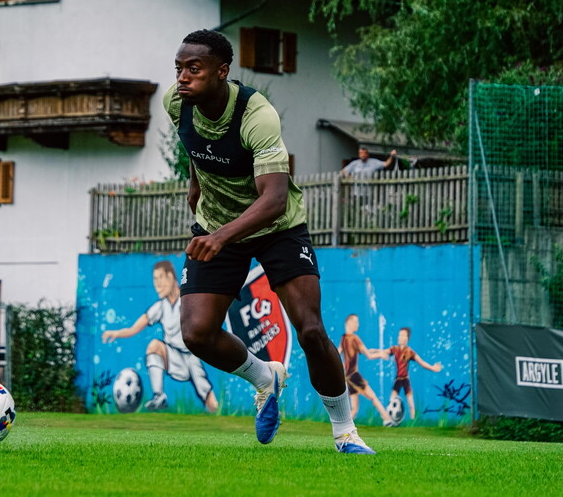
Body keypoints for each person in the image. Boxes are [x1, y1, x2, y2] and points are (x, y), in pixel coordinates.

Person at [163, 28, 376, 454]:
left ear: (222, 72)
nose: (183, 77)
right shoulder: (176, 102)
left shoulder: (256, 114)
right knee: (197, 332)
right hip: (217, 224)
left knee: (311, 330)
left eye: (194, 69)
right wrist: (194, 182)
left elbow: (275, 198)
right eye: (179, 68)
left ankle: (345, 433)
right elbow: (196, 144)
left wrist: (222, 236)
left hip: (276, 226)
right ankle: (265, 378)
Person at [101, 260, 218, 413]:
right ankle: (159, 396)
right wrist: (116, 333)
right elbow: (135, 327)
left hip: (192, 356)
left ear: (170, 276)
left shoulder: (188, 300)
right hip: (173, 356)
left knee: (210, 400)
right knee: (154, 346)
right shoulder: (160, 307)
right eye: (154, 280)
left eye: (159, 278)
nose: (157, 284)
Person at [372, 327, 443, 425]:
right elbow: (385, 351)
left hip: (405, 380)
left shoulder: (409, 352)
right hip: (398, 380)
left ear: (406, 338)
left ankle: (413, 422)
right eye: (399, 335)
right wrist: (373, 351)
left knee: (411, 402)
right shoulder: (395, 349)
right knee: (391, 401)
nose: (399, 337)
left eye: (402, 335)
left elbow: (421, 362)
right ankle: (389, 421)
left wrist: (432, 367)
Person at [338, 314, 393, 425]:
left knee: (354, 409)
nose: (358, 324)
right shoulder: (355, 339)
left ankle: (342, 426)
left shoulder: (344, 339)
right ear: (349, 323)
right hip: (354, 376)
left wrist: (377, 352)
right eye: (356, 322)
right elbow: (369, 355)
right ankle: (387, 419)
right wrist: (380, 355)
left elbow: (337, 353)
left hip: (347, 377)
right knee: (373, 397)